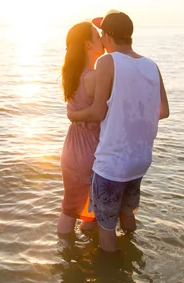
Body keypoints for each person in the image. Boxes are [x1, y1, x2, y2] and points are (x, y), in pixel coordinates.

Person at [67, 11, 170, 252]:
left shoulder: (107, 61)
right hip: (141, 160)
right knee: (127, 214)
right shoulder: (151, 64)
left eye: (102, 35)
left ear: (107, 36)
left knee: (106, 226)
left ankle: (111, 270)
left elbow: (97, 111)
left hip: (112, 163)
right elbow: (163, 111)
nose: (101, 40)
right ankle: (132, 254)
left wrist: (73, 116)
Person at [57, 21, 105, 235]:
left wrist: (73, 116)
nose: (102, 39)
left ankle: (67, 255)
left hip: (72, 148)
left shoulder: (74, 74)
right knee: (88, 208)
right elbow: (103, 112)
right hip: (90, 149)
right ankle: (75, 256)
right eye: (97, 36)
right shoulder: (93, 77)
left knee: (71, 207)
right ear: (87, 44)